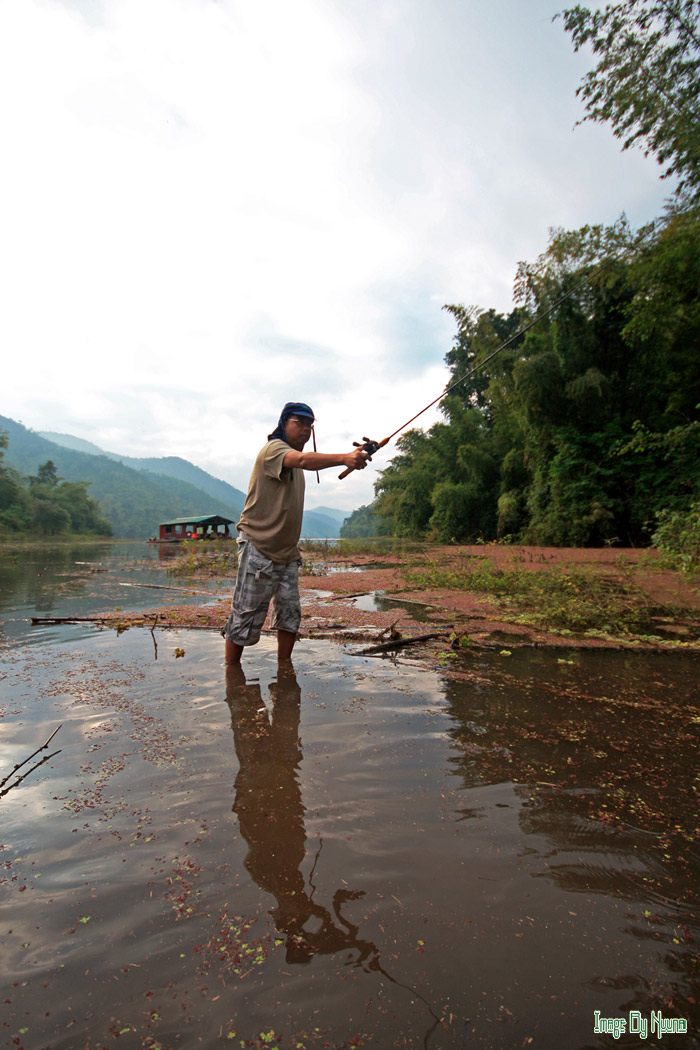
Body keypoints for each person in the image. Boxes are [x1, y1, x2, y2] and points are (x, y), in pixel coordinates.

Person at [223, 402, 368, 665]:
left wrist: (357, 455)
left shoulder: (298, 465)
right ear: (283, 424)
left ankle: (284, 670)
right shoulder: (274, 450)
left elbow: (305, 462)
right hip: (258, 545)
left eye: (309, 425)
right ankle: (231, 676)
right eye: (298, 423)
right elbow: (302, 459)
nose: (305, 429)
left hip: (287, 553)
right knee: (244, 616)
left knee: (290, 616)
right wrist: (344, 458)